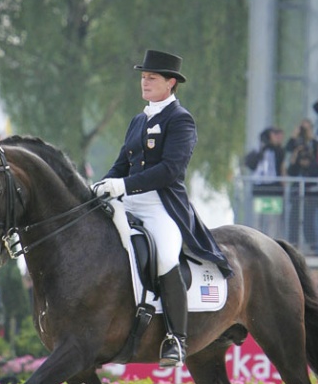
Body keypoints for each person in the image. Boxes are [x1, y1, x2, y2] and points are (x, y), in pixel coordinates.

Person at [92, 49, 233, 367]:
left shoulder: (180, 120)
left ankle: (176, 338)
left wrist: (124, 186)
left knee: (166, 256)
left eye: (151, 78)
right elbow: (120, 165)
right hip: (128, 202)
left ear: (170, 83)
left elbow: (171, 170)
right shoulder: (138, 120)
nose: (145, 82)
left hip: (161, 206)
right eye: (143, 77)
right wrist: (101, 187)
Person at [244, 127, 285, 238]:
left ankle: (272, 243)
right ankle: (257, 243)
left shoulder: (278, 151)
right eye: (273, 134)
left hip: (273, 191)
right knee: (258, 220)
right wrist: (261, 150)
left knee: (273, 221)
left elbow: (281, 167)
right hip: (260, 191)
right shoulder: (258, 150)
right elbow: (249, 163)